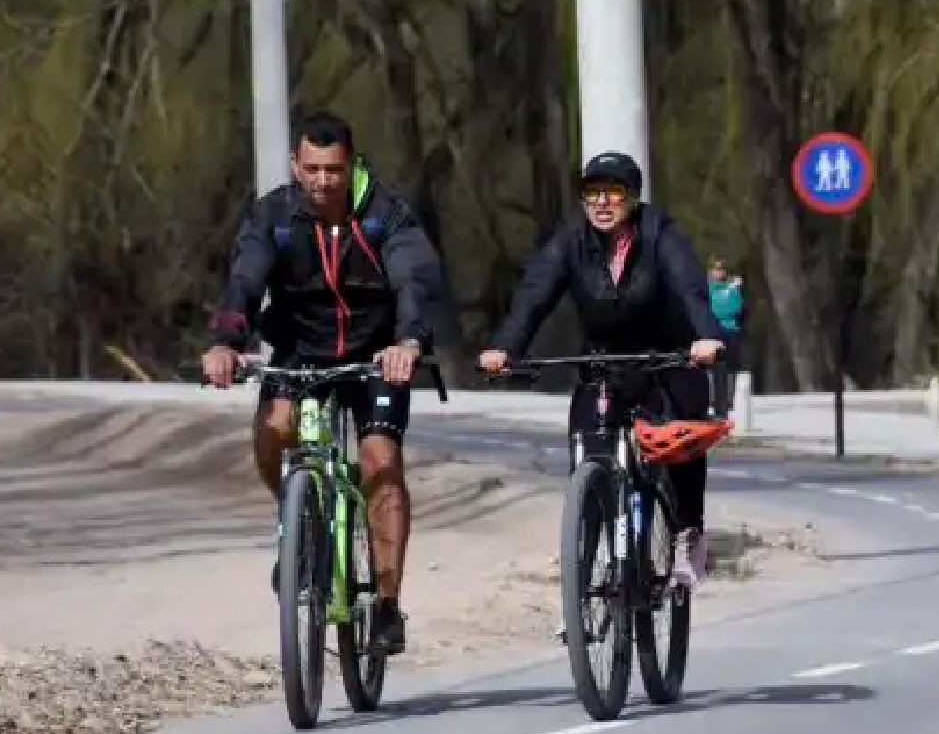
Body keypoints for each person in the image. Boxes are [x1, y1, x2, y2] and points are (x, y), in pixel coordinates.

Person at [202, 110, 452, 656]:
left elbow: (415, 278)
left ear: (350, 165)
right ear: (296, 164)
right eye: (311, 169)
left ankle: (386, 603)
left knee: (380, 463)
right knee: (276, 426)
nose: (322, 181)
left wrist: (409, 342)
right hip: (300, 347)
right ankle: (298, 523)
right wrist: (227, 340)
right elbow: (245, 279)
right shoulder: (274, 215)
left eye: (333, 170)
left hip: (377, 351)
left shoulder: (386, 214)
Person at [478, 151, 727, 587]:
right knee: (587, 455)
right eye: (592, 193)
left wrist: (704, 337)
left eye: (612, 193)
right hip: (605, 364)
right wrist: (504, 347)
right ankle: (585, 582)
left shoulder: (659, 233)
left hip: (667, 357)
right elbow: (534, 295)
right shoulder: (571, 242)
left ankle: (689, 533)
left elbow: (689, 288)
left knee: (684, 435)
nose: (602, 203)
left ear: (632, 198)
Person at [706, 258, 745, 416]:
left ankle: (729, 400)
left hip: (731, 330)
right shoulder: (707, 288)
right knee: (710, 366)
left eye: (722, 269)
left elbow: (738, 307)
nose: (719, 272)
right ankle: (711, 398)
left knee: (730, 367)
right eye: (716, 268)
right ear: (709, 271)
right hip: (712, 331)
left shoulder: (733, 287)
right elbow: (716, 309)